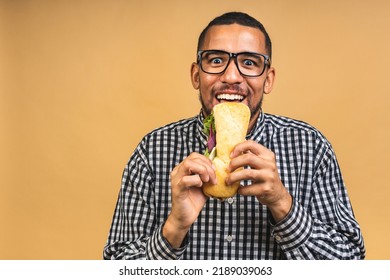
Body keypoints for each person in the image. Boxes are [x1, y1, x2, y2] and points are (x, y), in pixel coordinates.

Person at [103, 11, 365, 260]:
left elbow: (351, 261)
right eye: (216, 60)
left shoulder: (310, 148)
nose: (231, 76)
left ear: (268, 79)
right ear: (197, 75)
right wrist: (174, 227)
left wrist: (283, 204)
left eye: (249, 63)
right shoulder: (153, 151)